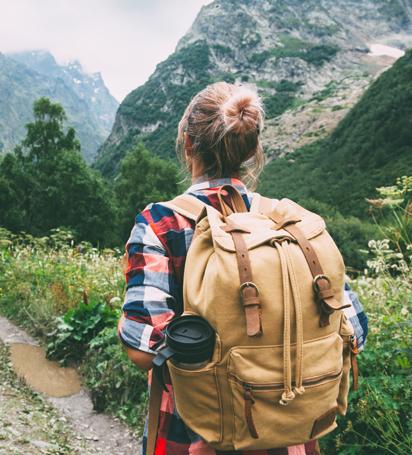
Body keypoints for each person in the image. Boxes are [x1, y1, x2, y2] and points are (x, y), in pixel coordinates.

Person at [117, 82, 368, 455]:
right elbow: (355, 332)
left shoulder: (162, 223)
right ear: (252, 151)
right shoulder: (289, 224)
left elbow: (142, 349)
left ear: (188, 144)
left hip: (193, 436)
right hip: (290, 435)